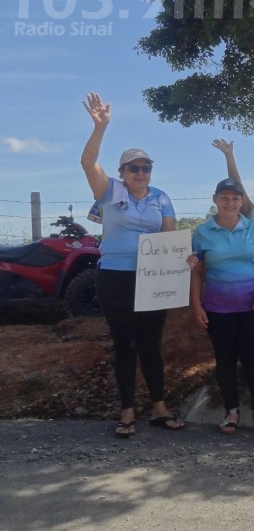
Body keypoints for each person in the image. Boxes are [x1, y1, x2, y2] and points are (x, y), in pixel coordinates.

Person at [80, 91, 185, 438]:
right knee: (124, 344)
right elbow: (87, 163)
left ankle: (159, 408)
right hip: (115, 277)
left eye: (146, 168)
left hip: (152, 279)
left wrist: (183, 259)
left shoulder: (162, 197)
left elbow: (169, 237)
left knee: (151, 344)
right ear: (122, 172)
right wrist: (100, 127)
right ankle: (127, 413)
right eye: (134, 168)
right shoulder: (109, 191)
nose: (141, 172)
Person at [191, 178, 254, 435]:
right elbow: (197, 272)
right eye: (224, 198)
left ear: (242, 201)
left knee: (253, 360)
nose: (230, 203)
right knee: (225, 361)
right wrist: (196, 304)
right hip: (217, 309)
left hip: (253, 307)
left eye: (235, 198)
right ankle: (231, 412)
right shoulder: (202, 233)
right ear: (215, 199)